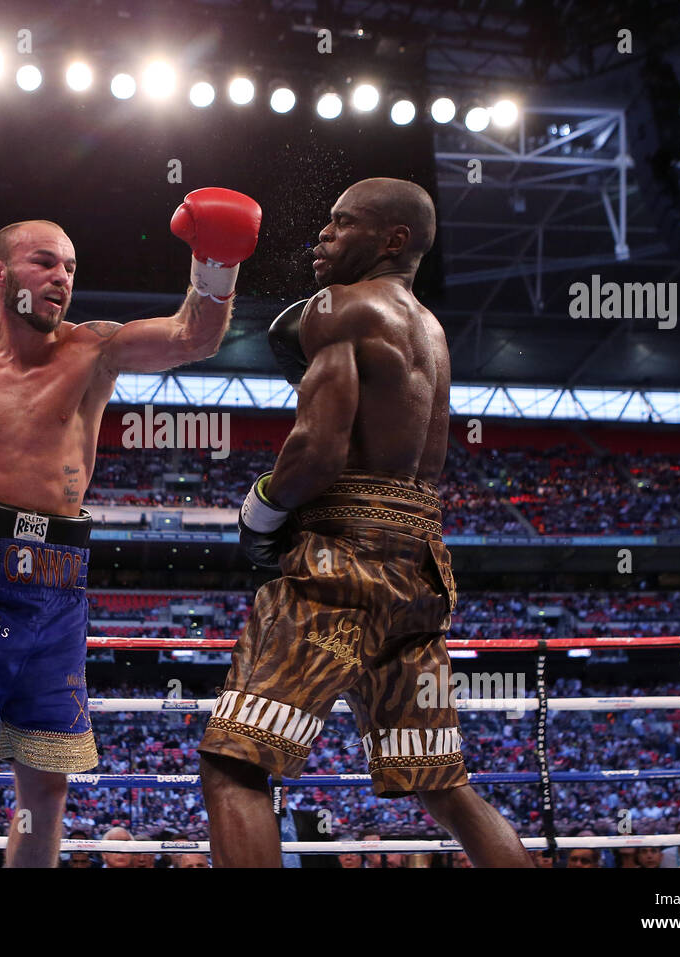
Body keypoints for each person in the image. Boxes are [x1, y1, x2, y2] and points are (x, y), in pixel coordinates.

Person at [0, 191, 261, 869]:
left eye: (69, 265)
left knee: (46, 783)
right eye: (44, 262)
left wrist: (217, 263)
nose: (62, 276)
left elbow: (194, 335)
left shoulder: (96, 349)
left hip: (60, 585)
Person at [198, 177, 531, 868]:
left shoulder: (340, 309)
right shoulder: (431, 330)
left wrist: (260, 508)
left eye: (341, 223)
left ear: (392, 239)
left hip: (339, 561)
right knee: (444, 786)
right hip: (420, 564)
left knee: (235, 764)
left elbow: (316, 448)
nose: (322, 236)